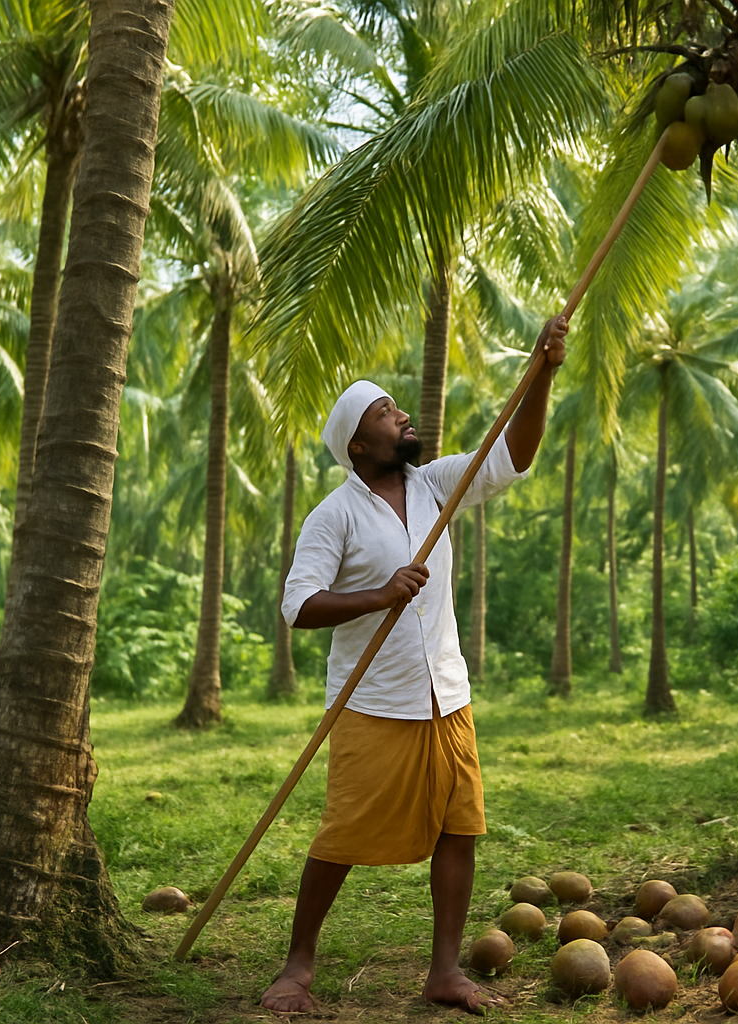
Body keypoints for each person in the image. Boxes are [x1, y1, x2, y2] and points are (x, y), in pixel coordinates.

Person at [260, 316, 568, 1015]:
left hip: (445, 696)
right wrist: (381, 592)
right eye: (384, 412)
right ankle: (298, 963)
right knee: (341, 835)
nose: (402, 416)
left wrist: (542, 372)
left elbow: (513, 457)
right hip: (373, 702)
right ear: (359, 444)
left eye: (396, 408)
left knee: (460, 829)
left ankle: (444, 971)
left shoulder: (435, 486)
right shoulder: (334, 515)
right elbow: (297, 605)